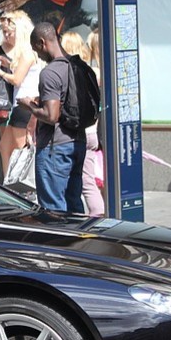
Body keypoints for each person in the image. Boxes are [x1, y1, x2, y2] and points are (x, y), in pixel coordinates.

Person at [21, 22, 86, 213]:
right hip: (77, 142)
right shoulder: (78, 67)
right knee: (74, 203)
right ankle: (79, 241)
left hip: (54, 147)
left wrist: (29, 105)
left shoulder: (49, 73)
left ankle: (59, 242)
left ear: (42, 43)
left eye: (37, 50)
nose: (38, 56)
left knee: (53, 210)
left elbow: (51, 115)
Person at [0, 10, 39, 177]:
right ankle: (10, 186)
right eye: (5, 33)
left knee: (20, 150)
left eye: (10, 32)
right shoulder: (21, 52)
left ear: (21, 31)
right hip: (20, 104)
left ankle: (23, 189)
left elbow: (17, 80)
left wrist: (0, 71)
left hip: (25, 105)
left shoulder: (27, 52)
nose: (7, 36)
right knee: (4, 146)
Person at [64, 31, 104, 217]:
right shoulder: (93, 72)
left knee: (86, 182)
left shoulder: (70, 73)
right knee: (85, 180)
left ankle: (97, 215)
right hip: (92, 132)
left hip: (81, 132)